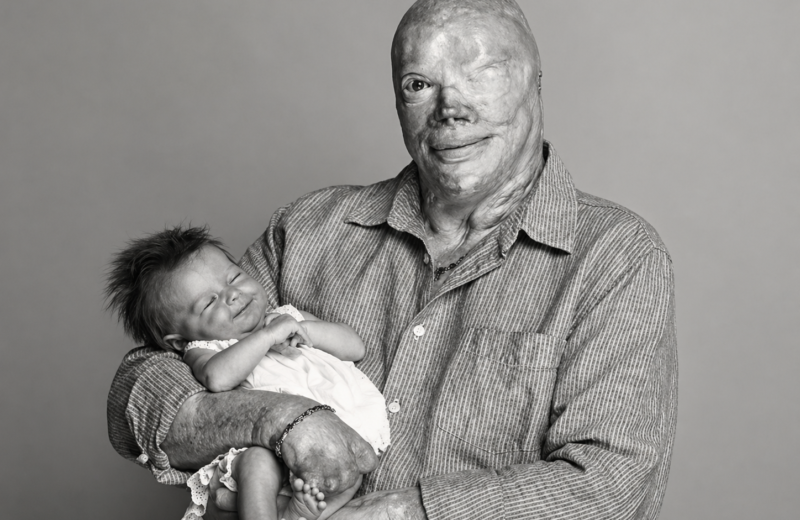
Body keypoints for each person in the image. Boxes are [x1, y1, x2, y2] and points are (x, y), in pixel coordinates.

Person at [107, 1, 678, 518]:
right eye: (419, 83)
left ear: (535, 80)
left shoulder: (616, 257)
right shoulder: (309, 230)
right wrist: (277, 418)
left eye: (481, 71)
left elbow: (608, 485)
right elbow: (142, 384)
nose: (450, 107)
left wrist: (394, 513)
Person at [105, 226, 390, 520]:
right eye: (209, 302)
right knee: (256, 465)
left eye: (235, 278)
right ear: (179, 341)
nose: (232, 295)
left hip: (342, 423)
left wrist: (306, 331)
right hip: (270, 448)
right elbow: (217, 378)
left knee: (349, 470)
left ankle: (300, 514)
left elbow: (354, 348)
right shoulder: (206, 348)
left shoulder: (288, 316)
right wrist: (266, 337)